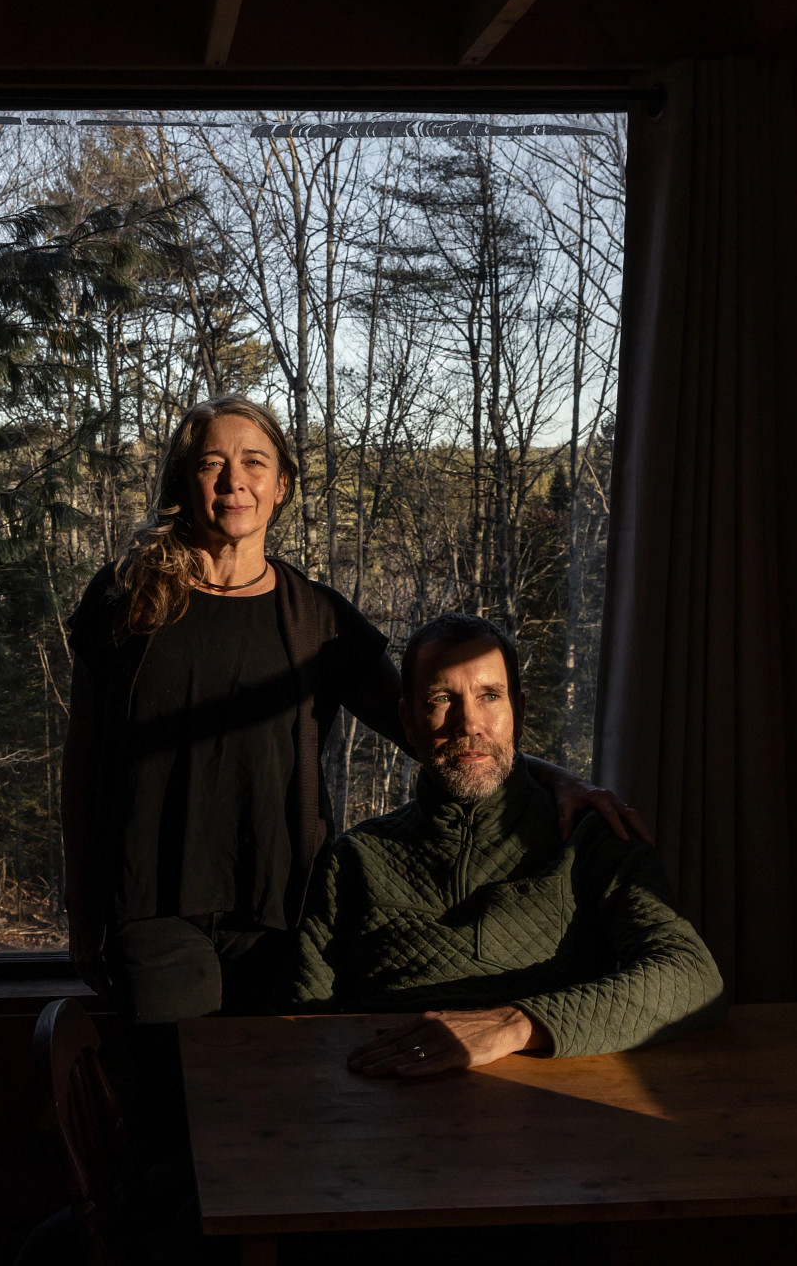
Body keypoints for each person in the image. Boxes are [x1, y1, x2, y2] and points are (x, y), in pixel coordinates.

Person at [61, 395, 649, 1025]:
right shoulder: (128, 598)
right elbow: (84, 759)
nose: (234, 481)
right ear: (184, 481)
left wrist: (557, 780)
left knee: (274, 1080)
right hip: (152, 908)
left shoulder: (319, 620)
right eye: (211, 464)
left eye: (254, 462)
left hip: (284, 913)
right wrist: (83, 906)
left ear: (282, 486)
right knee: (181, 1078)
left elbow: (427, 732)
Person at [286, 612, 726, 1074]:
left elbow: (691, 975)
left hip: (554, 1098)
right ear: (408, 721)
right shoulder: (356, 858)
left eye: (490, 697)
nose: (469, 724)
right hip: (385, 1097)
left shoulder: (589, 836)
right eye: (442, 699)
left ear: (519, 711)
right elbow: (298, 1027)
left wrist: (514, 1025)